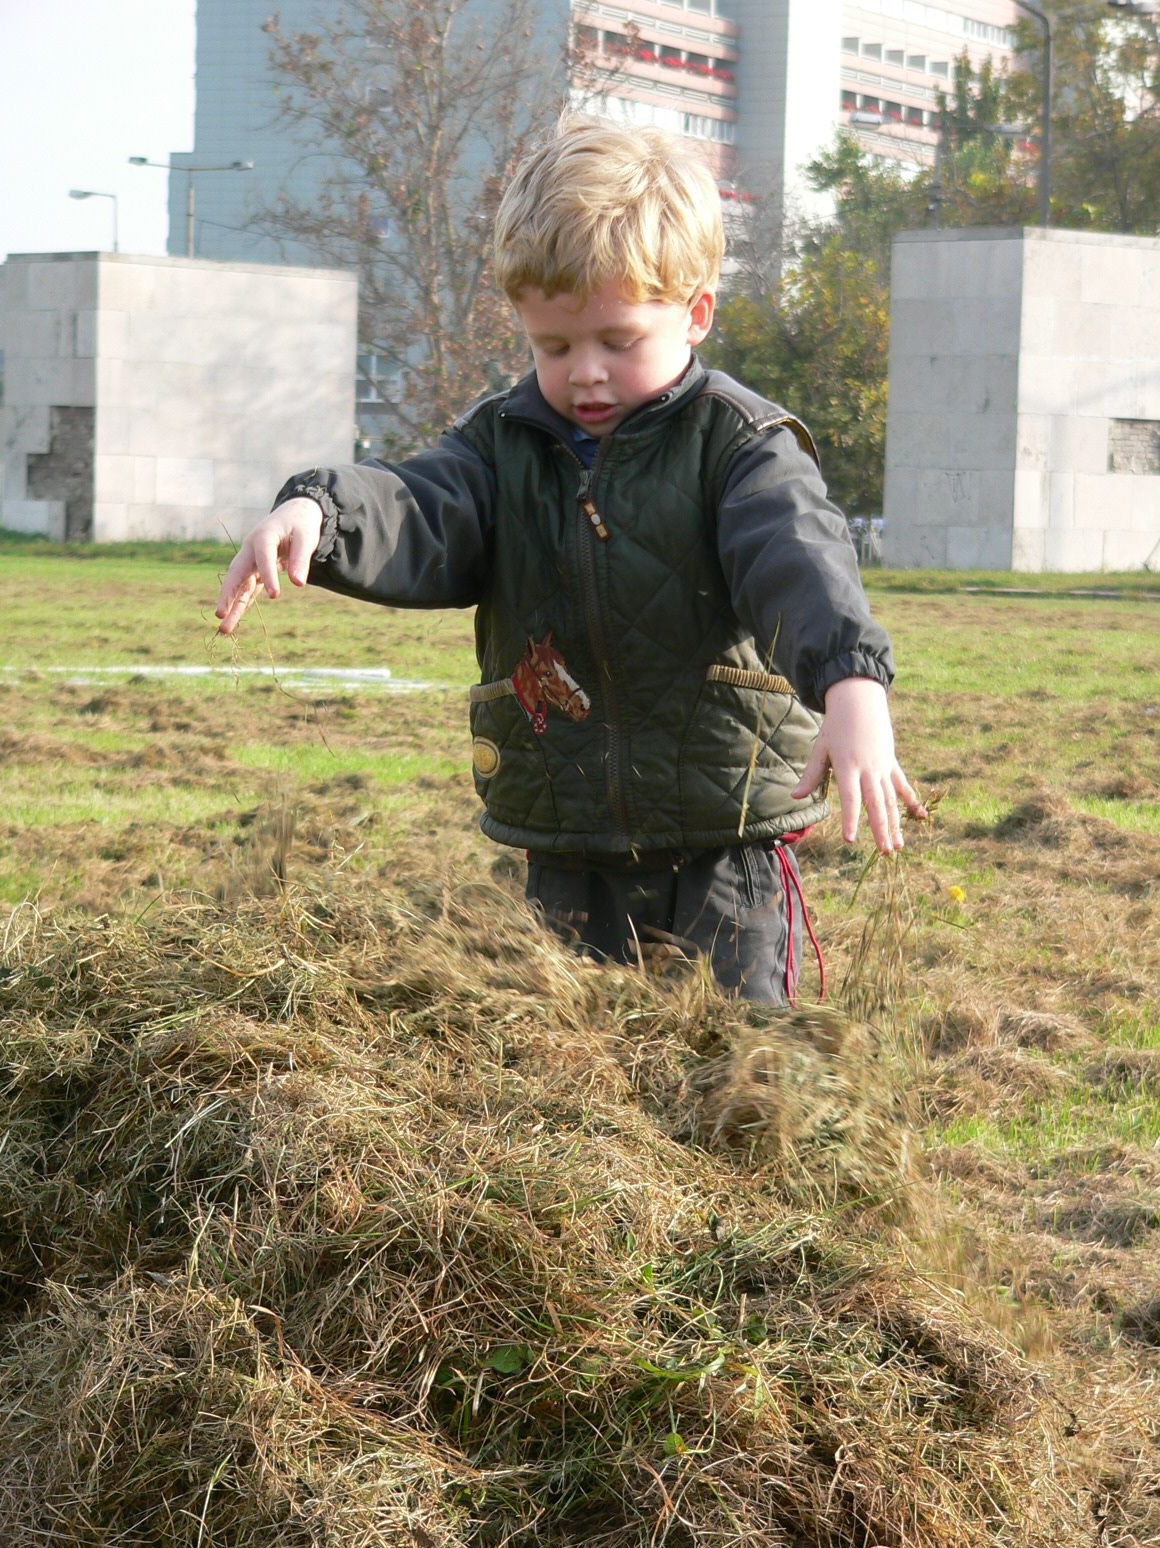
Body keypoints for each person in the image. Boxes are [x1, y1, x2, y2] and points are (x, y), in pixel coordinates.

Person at [215, 116, 924, 1005]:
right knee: (572, 1070)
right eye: (554, 346)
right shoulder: (501, 445)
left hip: (721, 830)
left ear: (695, 313)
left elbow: (799, 563)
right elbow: (420, 505)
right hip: (564, 829)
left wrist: (851, 688)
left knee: (737, 1061)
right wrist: (318, 512)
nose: (585, 373)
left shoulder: (738, 446)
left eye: (617, 341)